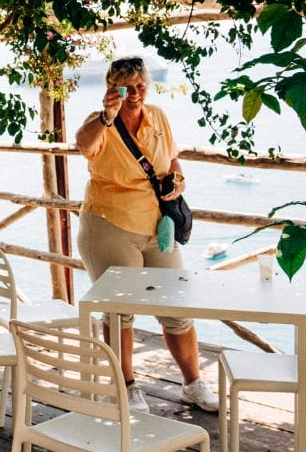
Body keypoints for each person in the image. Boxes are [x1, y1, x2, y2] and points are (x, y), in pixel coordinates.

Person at [74, 55, 218, 414]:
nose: (134, 94)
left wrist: (178, 181)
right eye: (125, 87)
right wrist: (108, 116)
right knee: (120, 313)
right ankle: (126, 387)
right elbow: (84, 146)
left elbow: (171, 161)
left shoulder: (158, 117)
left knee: (176, 308)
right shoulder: (100, 122)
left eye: (140, 86)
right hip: (110, 225)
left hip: (157, 227)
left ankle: (193, 384)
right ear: (111, 88)